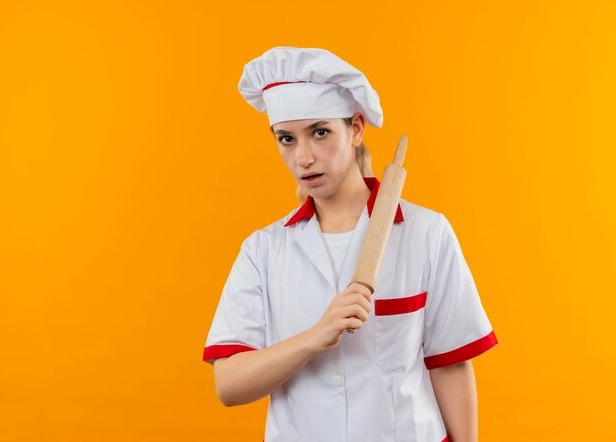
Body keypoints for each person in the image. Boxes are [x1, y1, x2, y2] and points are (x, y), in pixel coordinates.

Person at [202, 46, 499, 442]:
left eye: (320, 132)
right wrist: (315, 337)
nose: (303, 157)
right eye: (286, 138)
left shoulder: (426, 233)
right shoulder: (263, 251)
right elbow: (229, 385)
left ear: (356, 129)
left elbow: (450, 364)